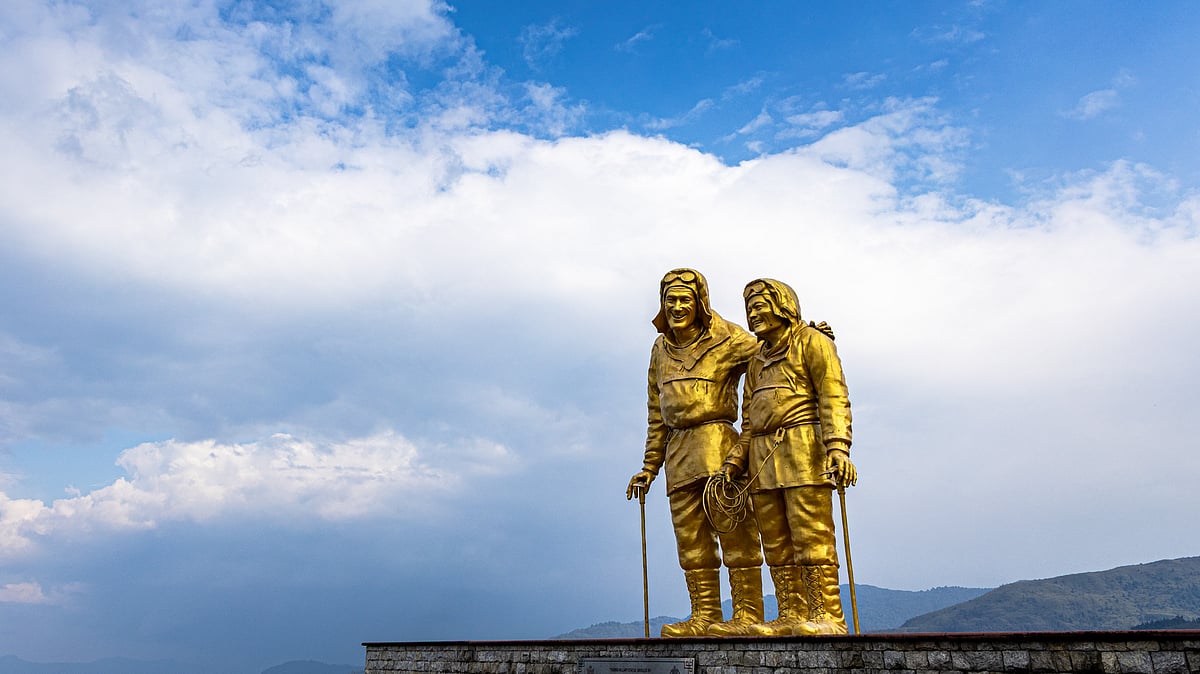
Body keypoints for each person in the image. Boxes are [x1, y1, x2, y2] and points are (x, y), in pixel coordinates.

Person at [626, 268, 764, 637]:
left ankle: (748, 614)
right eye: (670, 300)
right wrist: (649, 467)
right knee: (691, 542)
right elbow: (657, 414)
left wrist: (806, 335)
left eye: (685, 299)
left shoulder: (730, 338)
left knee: (735, 532)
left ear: (700, 302)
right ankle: (705, 615)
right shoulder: (660, 349)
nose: (677, 306)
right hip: (678, 453)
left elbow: (771, 348)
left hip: (719, 446)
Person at [722, 278, 858, 636]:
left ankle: (826, 614)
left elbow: (833, 395)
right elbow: (748, 419)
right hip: (762, 460)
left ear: (783, 305)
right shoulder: (756, 360)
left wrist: (838, 447)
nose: (752, 314)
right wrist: (736, 462)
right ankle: (790, 613)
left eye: (759, 305)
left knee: (811, 536)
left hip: (803, 450)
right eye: (748, 308)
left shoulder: (813, 342)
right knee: (777, 543)